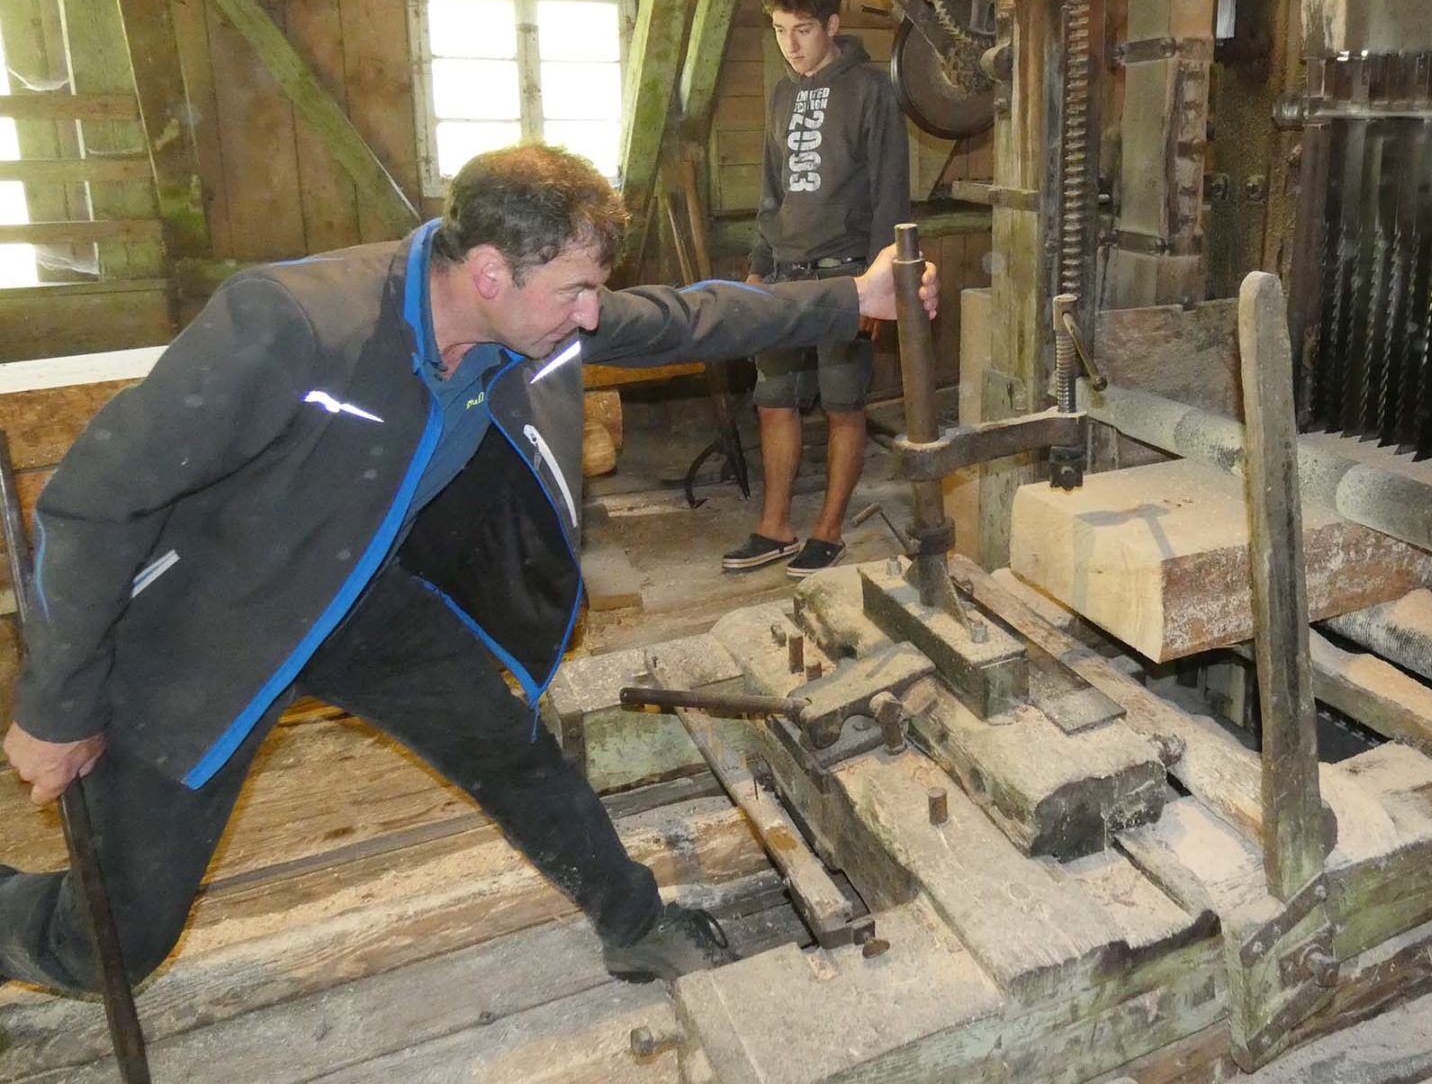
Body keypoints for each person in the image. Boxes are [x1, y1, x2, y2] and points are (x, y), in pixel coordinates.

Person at [0, 144, 937, 993]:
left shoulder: (519, 323)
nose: (589, 313)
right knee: (107, 948)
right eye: (575, 291)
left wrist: (854, 300)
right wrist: (55, 708)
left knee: (506, 746)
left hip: (356, 596)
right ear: (489, 271)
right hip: (207, 634)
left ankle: (633, 923)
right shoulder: (293, 323)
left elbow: (683, 319)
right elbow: (92, 502)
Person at [722, 0, 911, 579]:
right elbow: (770, 190)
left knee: (842, 406)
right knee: (773, 401)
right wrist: (758, 267)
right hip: (785, 275)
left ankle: (828, 531)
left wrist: (881, 285)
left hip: (847, 277)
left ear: (832, 23)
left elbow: (891, 193)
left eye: (802, 30)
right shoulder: (781, 95)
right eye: (780, 31)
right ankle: (774, 528)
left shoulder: (872, 91)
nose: (791, 45)